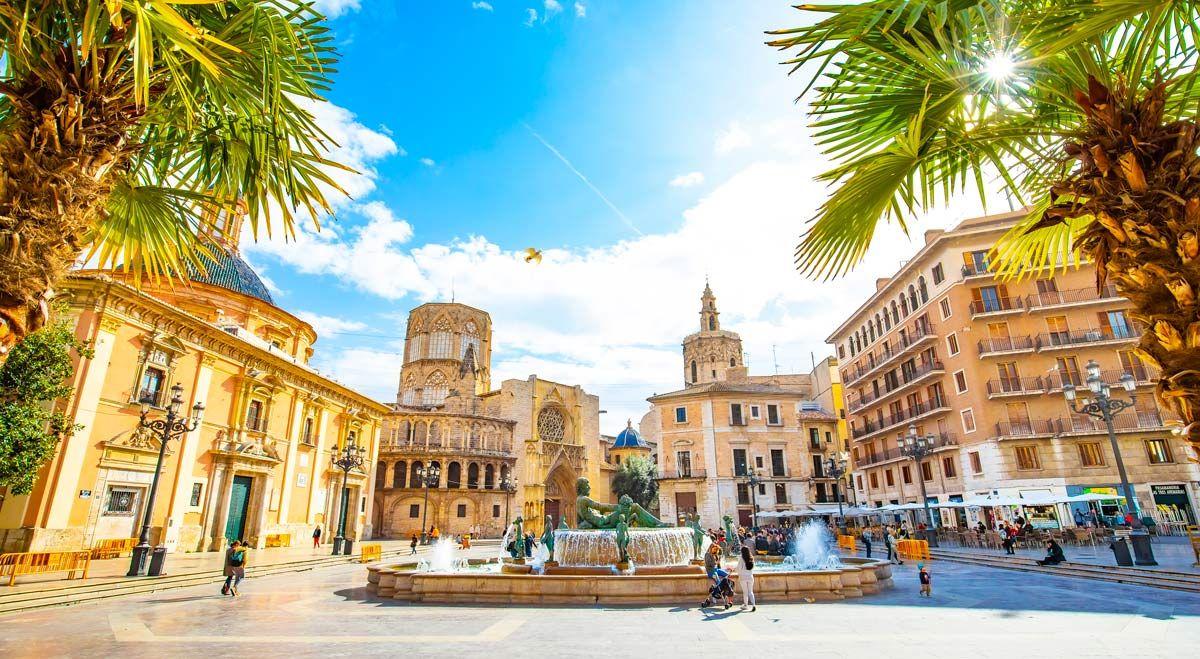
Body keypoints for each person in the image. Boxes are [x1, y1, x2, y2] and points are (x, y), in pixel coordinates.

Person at [738, 543, 756, 612]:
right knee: (751, 591)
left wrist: (735, 571)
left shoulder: (741, 558)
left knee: (745, 592)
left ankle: (746, 605)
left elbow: (739, 568)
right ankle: (754, 605)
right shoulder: (751, 558)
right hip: (750, 577)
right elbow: (753, 567)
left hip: (743, 577)